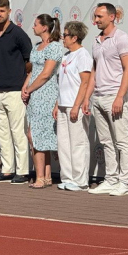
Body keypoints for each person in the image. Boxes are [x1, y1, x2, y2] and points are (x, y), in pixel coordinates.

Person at [83, 3, 128, 196]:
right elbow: (94, 71)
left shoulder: (122, 38)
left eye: (99, 17)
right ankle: (111, 179)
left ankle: (124, 182)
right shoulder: (96, 40)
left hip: (115, 95)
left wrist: (120, 97)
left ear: (112, 17)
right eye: (95, 16)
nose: (95, 20)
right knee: (106, 141)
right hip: (98, 97)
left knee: (122, 141)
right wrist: (87, 97)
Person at [0, 0, 33, 184]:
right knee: (2, 133)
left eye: (2, 11)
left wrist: (24, 84)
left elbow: (29, 61)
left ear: (9, 11)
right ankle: (7, 170)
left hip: (15, 90)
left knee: (17, 132)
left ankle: (22, 171)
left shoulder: (18, 34)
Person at [22, 14, 62, 188]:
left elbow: (46, 74)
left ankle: (39, 177)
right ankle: (46, 176)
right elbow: (32, 71)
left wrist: (30, 89)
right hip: (34, 95)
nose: (33, 27)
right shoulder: (36, 47)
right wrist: (25, 88)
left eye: (36, 24)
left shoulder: (54, 47)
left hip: (46, 94)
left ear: (44, 27)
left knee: (36, 134)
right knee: (38, 134)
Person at [52, 21, 92, 191]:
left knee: (78, 143)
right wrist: (57, 104)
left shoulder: (83, 55)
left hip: (75, 105)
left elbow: (85, 82)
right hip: (62, 105)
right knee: (64, 144)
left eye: (66, 35)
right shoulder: (66, 56)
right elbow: (61, 83)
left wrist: (77, 105)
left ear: (75, 37)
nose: (63, 38)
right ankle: (67, 177)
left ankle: (80, 180)